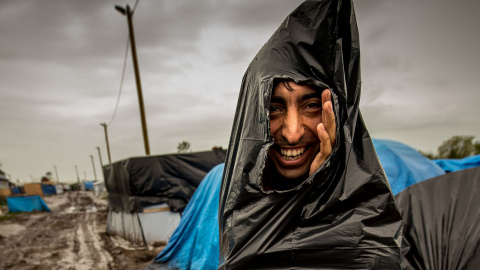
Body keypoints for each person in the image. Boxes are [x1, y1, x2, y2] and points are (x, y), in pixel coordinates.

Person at [218, 0, 403, 269]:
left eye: (311, 105)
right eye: (274, 108)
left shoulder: (369, 226)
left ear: (339, 111)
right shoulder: (240, 211)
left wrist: (322, 189)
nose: (292, 133)